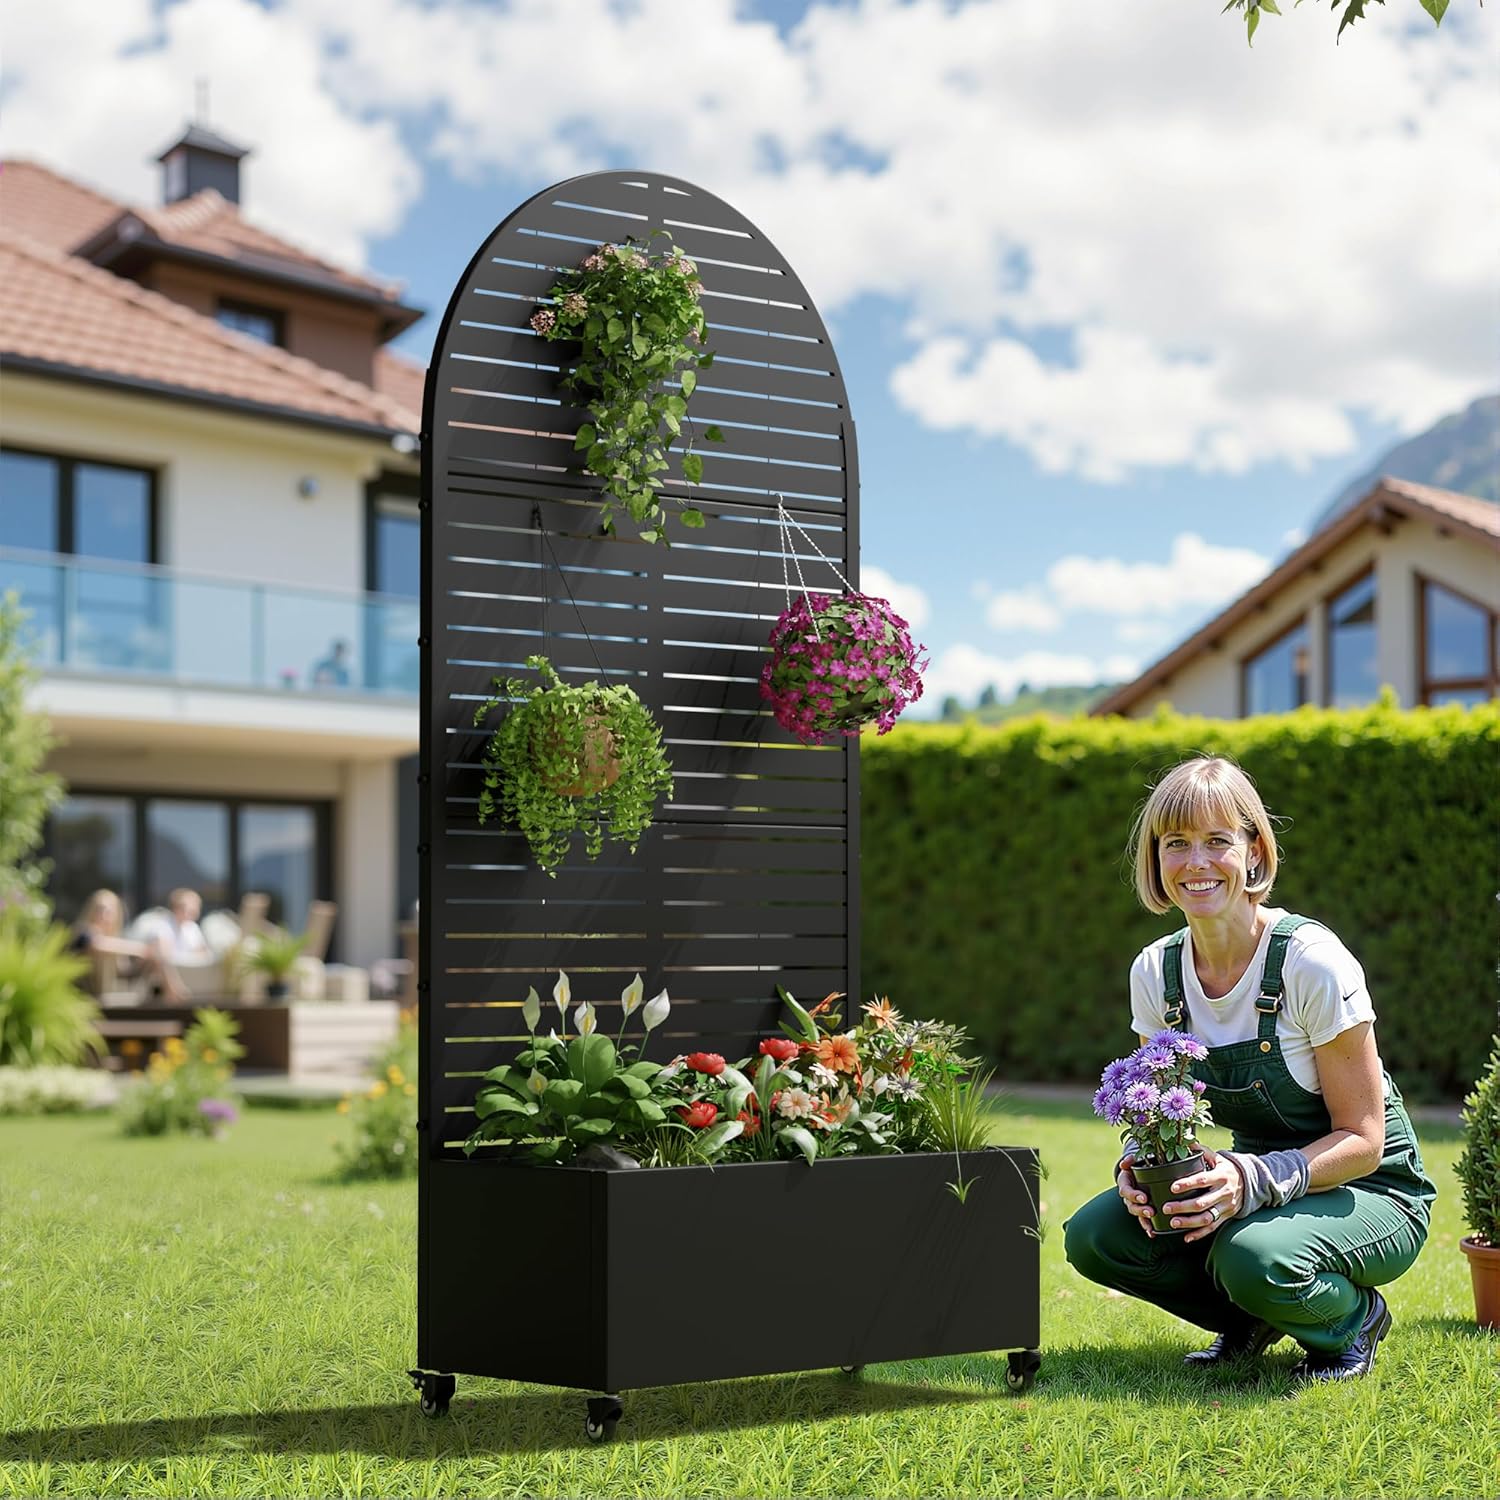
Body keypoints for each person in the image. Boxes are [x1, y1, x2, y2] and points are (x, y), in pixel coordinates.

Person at [1063, 756, 1435, 1381]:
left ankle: (1352, 1320)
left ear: (1254, 851)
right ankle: (1254, 1319)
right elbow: (1154, 1109)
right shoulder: (1156, 972)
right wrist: (1138, 1167)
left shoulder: (1311, 963)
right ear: (1156, 859)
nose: (1196, 863)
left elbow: (1366, 1141)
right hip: (1253, 1187)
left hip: (1366, 1189)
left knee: (1251, 1256)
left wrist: (1249, 1181)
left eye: (1217, 842)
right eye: (1176, 844)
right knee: (1098, 1233)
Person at [70, 889, 188, 1003]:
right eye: (100, 909)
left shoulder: (114, 940)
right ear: (91, 910)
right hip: (75, 998)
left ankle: (175, 998)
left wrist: (148, 960)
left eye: (109, 911)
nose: (104, 915)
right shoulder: (83, 933)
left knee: (157, 957)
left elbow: (124, 972)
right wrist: (141, 949)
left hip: (96, 1000)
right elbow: (96, 944)